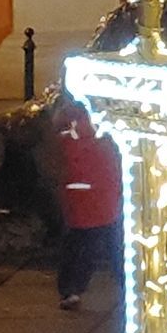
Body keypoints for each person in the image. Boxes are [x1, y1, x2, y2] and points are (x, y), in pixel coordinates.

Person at [46, 91, 121, 311]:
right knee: (107, 241)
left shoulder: (67, 121)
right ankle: (127, 285)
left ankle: (71, 289)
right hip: (101, 187)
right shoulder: (101, 119)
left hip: (84, 188)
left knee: (82, 242)